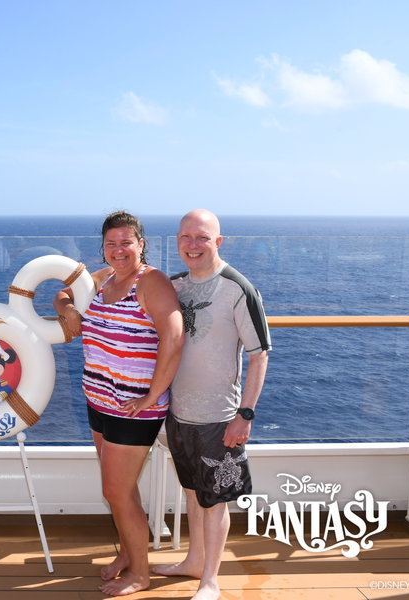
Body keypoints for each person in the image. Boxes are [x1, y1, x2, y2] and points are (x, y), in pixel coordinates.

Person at [54, 210, 184, 596]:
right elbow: (61, 293)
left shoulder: (152, 282)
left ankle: (140, 574)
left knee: (115, 491)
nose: (118, 249)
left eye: (126, 242)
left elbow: (174, 339)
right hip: (99, 399)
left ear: (141, 244)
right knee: (122, 489)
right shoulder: (104, 278)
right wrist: (70, 311)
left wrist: (152, 395)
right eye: (111, 243)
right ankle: (130, 554)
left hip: (133, 407)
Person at [152, 209, 271, 600]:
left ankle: (210, 581)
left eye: (202, 237)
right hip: (178, 413)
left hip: (220, 418)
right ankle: (192, 561)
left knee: (215, 501)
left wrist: (245, 415)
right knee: (191, 492)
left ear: (218, 242)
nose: (192, 244)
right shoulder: (175, 286)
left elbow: (259, 355)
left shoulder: (238, 288)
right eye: (185, 237)